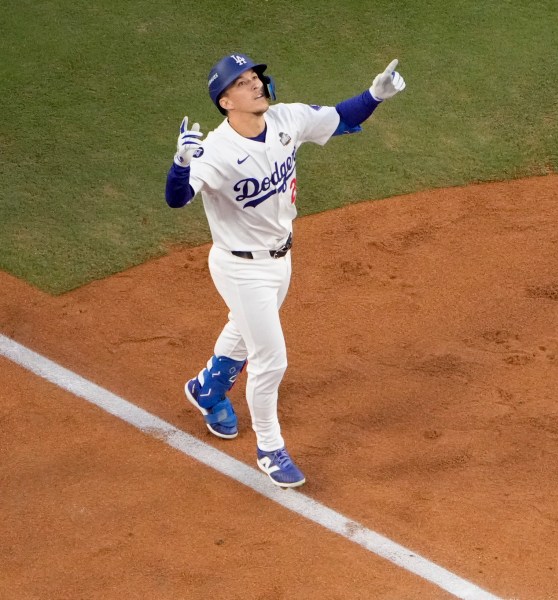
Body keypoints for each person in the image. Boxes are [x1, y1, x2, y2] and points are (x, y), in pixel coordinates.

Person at [164, 52, 406, 488]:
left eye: (255, 75)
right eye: (242, 81)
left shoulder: (286, 120)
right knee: (270, 360)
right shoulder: (215, 152)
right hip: (239, 268)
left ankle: (207, 389)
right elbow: (177, 199)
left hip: (281, 258)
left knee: (245, 328)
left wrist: (375, 96)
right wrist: (181, 164)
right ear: (225, 102)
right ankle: (269, 448)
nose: (256, 83)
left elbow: (338, 117)